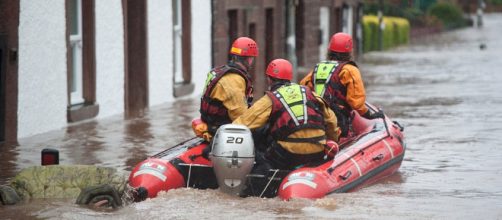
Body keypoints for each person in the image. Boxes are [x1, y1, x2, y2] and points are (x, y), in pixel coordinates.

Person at [234, 58, 339, 171]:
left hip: (288, 154)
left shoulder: (270, 99)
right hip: (317, 150)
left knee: (259, 152)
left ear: (269, 80)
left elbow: (242, 124)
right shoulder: (309, 93)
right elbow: (331, 120)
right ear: (290, 77)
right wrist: (332, 140)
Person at [300, 32, 383, 137]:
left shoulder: (319, 67)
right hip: (338, 123)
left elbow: (303, 87)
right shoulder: (350, 70)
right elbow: (356, 103)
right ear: (350, 51)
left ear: (329, 50)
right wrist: (371, 115)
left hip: (317, 119)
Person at [194, 37, 259, 141]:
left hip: (210, 122)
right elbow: (241, 118)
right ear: (249, 59)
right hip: (220, 128)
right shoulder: (233, 80)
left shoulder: (219, 72)